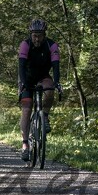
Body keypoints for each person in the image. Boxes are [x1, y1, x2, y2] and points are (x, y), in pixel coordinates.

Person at [18, 18, 62, 161]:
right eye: (34, 35)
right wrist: (23, 84)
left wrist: (57, 82)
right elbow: (21, 67)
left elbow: (56, 65)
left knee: (50, 90)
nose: (37, 39)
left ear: (44, 35)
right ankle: (25, 144)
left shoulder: (52, 45)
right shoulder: (25, 44)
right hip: (28, 78)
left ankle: (45, 117)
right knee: (26, 108)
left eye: (40, 35)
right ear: (30, 34)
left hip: (43, 76)